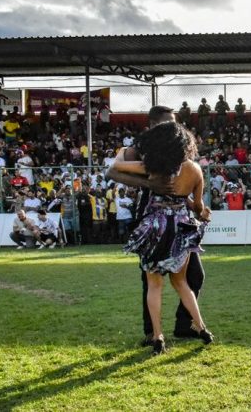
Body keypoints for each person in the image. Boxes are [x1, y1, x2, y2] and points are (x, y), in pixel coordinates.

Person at [106, 105, 207, 347]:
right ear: (152, 125)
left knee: (182, 277)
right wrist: (151, 186)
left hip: (166, 218)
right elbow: (112, 172)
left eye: (175, 123)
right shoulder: (138, 150)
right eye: (169, 123)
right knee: (155, 279)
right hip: (156, 216)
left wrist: (195, 204)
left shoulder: (168, 153)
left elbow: (177, 186)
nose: (174, 128)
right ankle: (154, 331)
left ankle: (180, 327)